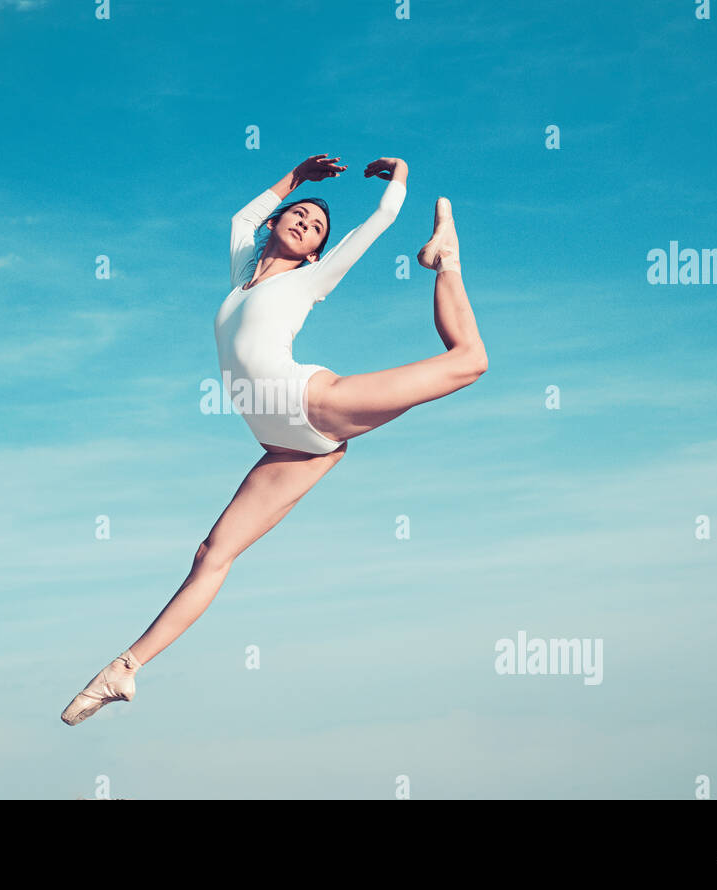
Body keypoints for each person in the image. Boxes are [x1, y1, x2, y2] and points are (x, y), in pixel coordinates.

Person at [61, 153, 488, 725]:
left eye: (317, 228)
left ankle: (445, 259)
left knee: (469, 361)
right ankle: (124, 669)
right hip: (285, 445)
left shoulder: (312, 277)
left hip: (312, 402)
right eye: (301, 215)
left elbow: (380, 219)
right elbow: (241, 221)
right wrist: (295, 179)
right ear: (277, 224)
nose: (308, 224)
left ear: (315, 251)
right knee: (212, 555)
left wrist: (403, 174)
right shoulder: (242, 278)